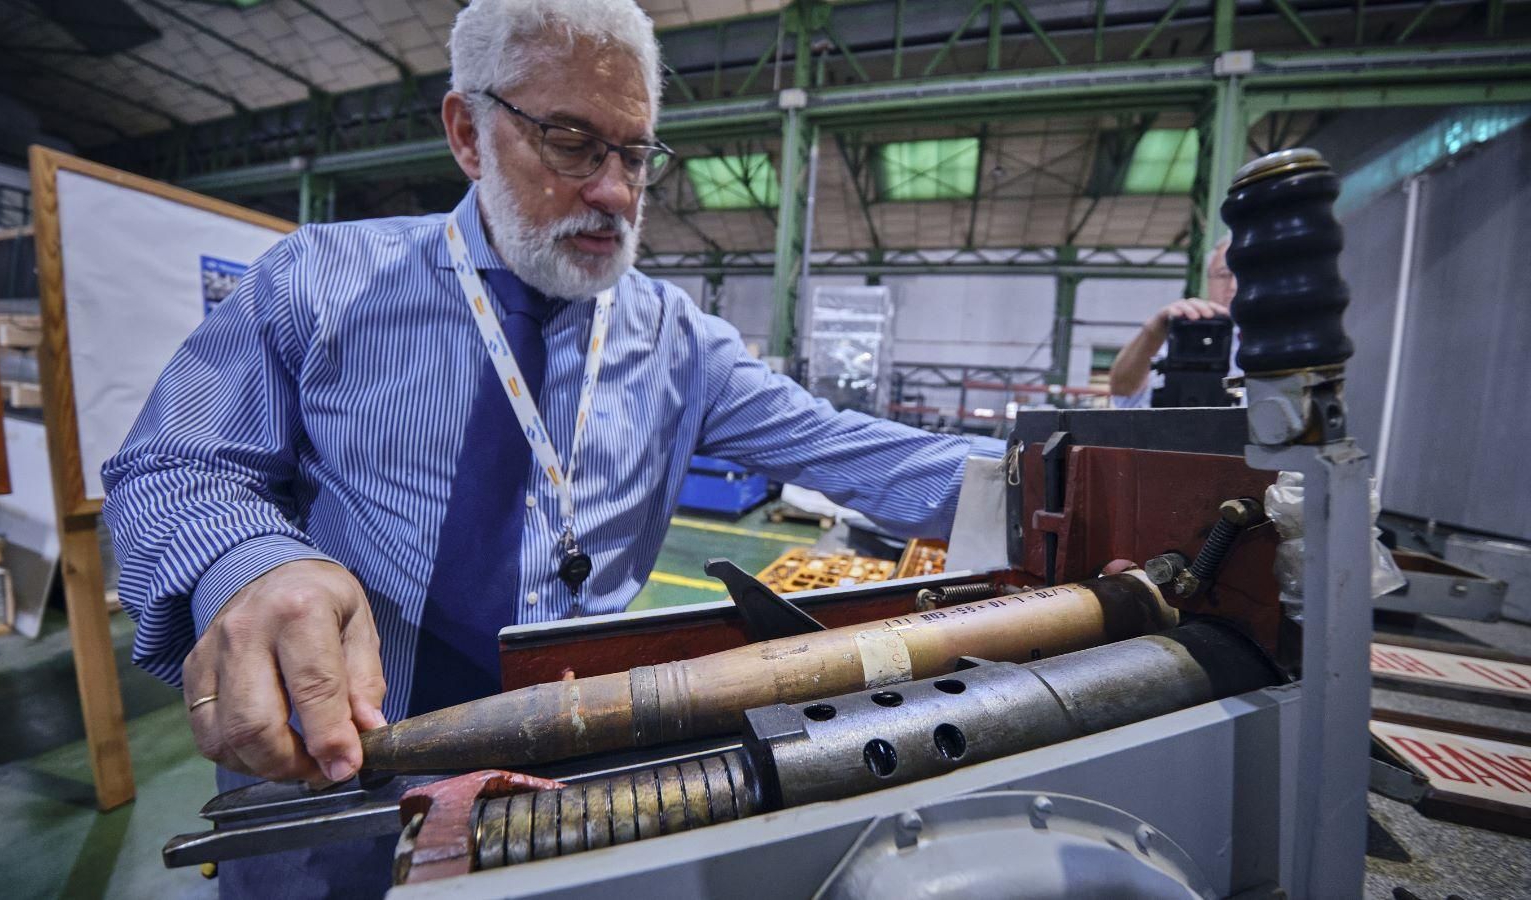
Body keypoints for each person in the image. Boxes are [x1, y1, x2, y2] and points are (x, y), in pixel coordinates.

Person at [100, 1, 1003, 894]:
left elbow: (850, 450)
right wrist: (252, 564)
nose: (614, 191)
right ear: (469, 132)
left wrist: (1051, 473)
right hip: (334, 765)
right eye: (571, 142)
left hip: (571, 777)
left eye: (636, 154)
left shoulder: (679, 344)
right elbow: (176, 462)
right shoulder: (317, 283)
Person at [1107, 236, 1239, 408]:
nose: (1233, 286)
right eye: (1223, 275)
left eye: (1246, 273)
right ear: (1208, 281)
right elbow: (1124, 391)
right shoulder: (1180, 338)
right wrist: (1152, 332)